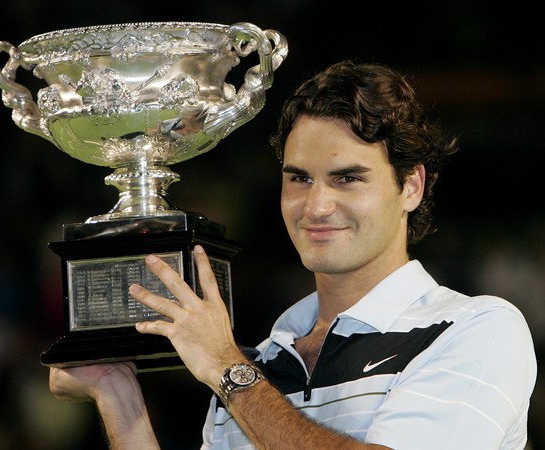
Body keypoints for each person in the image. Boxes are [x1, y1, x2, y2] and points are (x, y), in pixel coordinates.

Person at [49, 60, 538, 449]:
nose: (317, 206)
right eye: (299, 178)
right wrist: (116, 395)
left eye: (348, 178)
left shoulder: (477, 329)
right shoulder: (258, 367)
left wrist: (226, 370)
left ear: (410, 185)